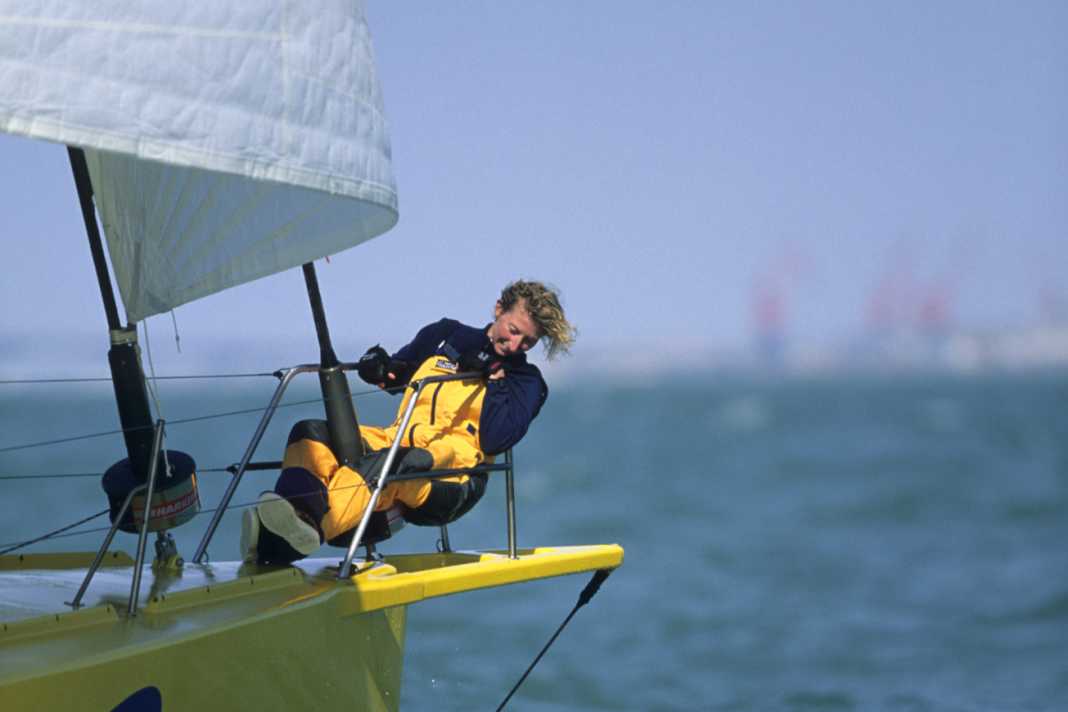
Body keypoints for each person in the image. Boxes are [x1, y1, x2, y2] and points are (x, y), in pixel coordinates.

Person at [241, 280, 575, 565]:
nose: (515, 344)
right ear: (498, 309)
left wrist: (496, 379)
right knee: (310, 433)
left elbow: (495, 440)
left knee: (391, 465)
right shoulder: (448, 335)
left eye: (528, 341)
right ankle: (294, 518)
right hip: (398, 441)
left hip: (453, 476)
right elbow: (395, 375)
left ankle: (283, 539)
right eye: (513, 330)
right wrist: (377, 365)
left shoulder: (526, 382)